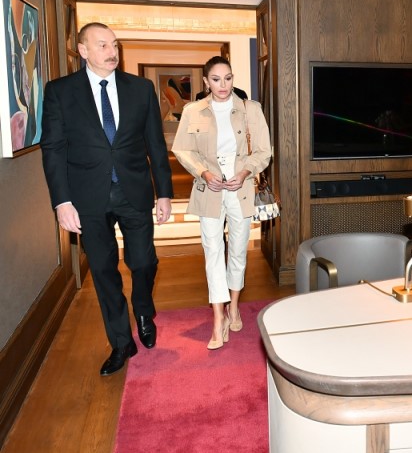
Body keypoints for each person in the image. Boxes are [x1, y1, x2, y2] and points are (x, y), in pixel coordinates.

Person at [41, 22, 173, 376]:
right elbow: (53, 149)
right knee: (102, 270)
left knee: (143, 262)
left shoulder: (141, 89)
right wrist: (62, 202)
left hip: (134, 191)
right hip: (87, 198)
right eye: (102, 45)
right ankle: (121, 342)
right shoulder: (60, 92)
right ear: (83, 50)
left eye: (114, 44)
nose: (112, 51)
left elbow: (155, 144)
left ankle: (143, 310)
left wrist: (164, 193)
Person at [172, 56, 272, 350]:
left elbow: (264, 151)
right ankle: (218, 318)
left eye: (228, 78)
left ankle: (234, 307)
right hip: (209, 188)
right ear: (206, 81)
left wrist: (245, 172)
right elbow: (183, 149)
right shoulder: (193, 111)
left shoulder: (251, 109)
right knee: (212, 251)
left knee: (238, 251)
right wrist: (203, 171)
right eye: (216, 79)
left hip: (241, 188)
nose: (223, 85)